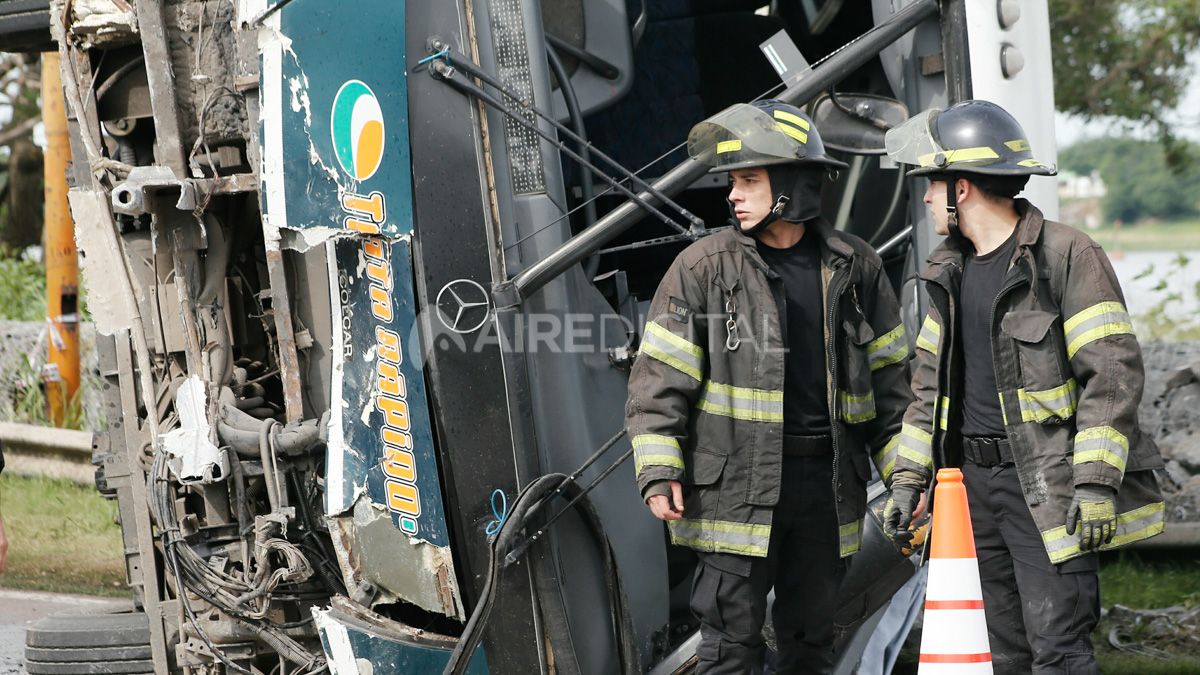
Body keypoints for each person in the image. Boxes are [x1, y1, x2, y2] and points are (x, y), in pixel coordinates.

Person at [625, 99, 914, 673]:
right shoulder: (703, 268)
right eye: (733, 181)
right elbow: (657, 381)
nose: (732, 195)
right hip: (735, 489)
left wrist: (907, 480)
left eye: (749, 180)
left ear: (793, 185)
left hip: (827, 492)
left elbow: (892, 392)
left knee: (811, 646)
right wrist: (659, 470)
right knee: (730, 648)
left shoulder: (857, 269)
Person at [880, 99, 1165, 674]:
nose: (928, 197)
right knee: (1002, 653)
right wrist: (908, 483)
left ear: (961, 188)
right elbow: (926, 392)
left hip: (1045, 488)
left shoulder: (1065, 255)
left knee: (1057, 651)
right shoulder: (947, 272)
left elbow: (1110, 375)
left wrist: (1094, 484)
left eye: (933, 185)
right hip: (971, 491)